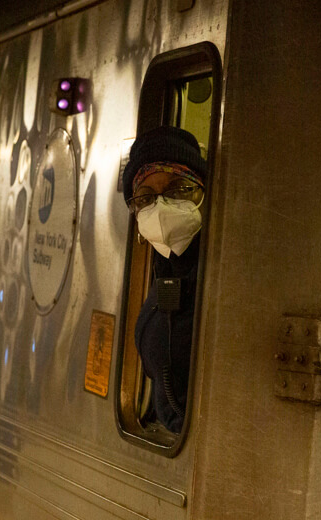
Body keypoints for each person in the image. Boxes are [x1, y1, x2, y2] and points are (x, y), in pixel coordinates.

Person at [122, 126, 206, 433]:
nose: (161, 207)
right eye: (146, 196)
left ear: (201, 191)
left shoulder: (217, 270)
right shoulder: (164, 267)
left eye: (177, 189)